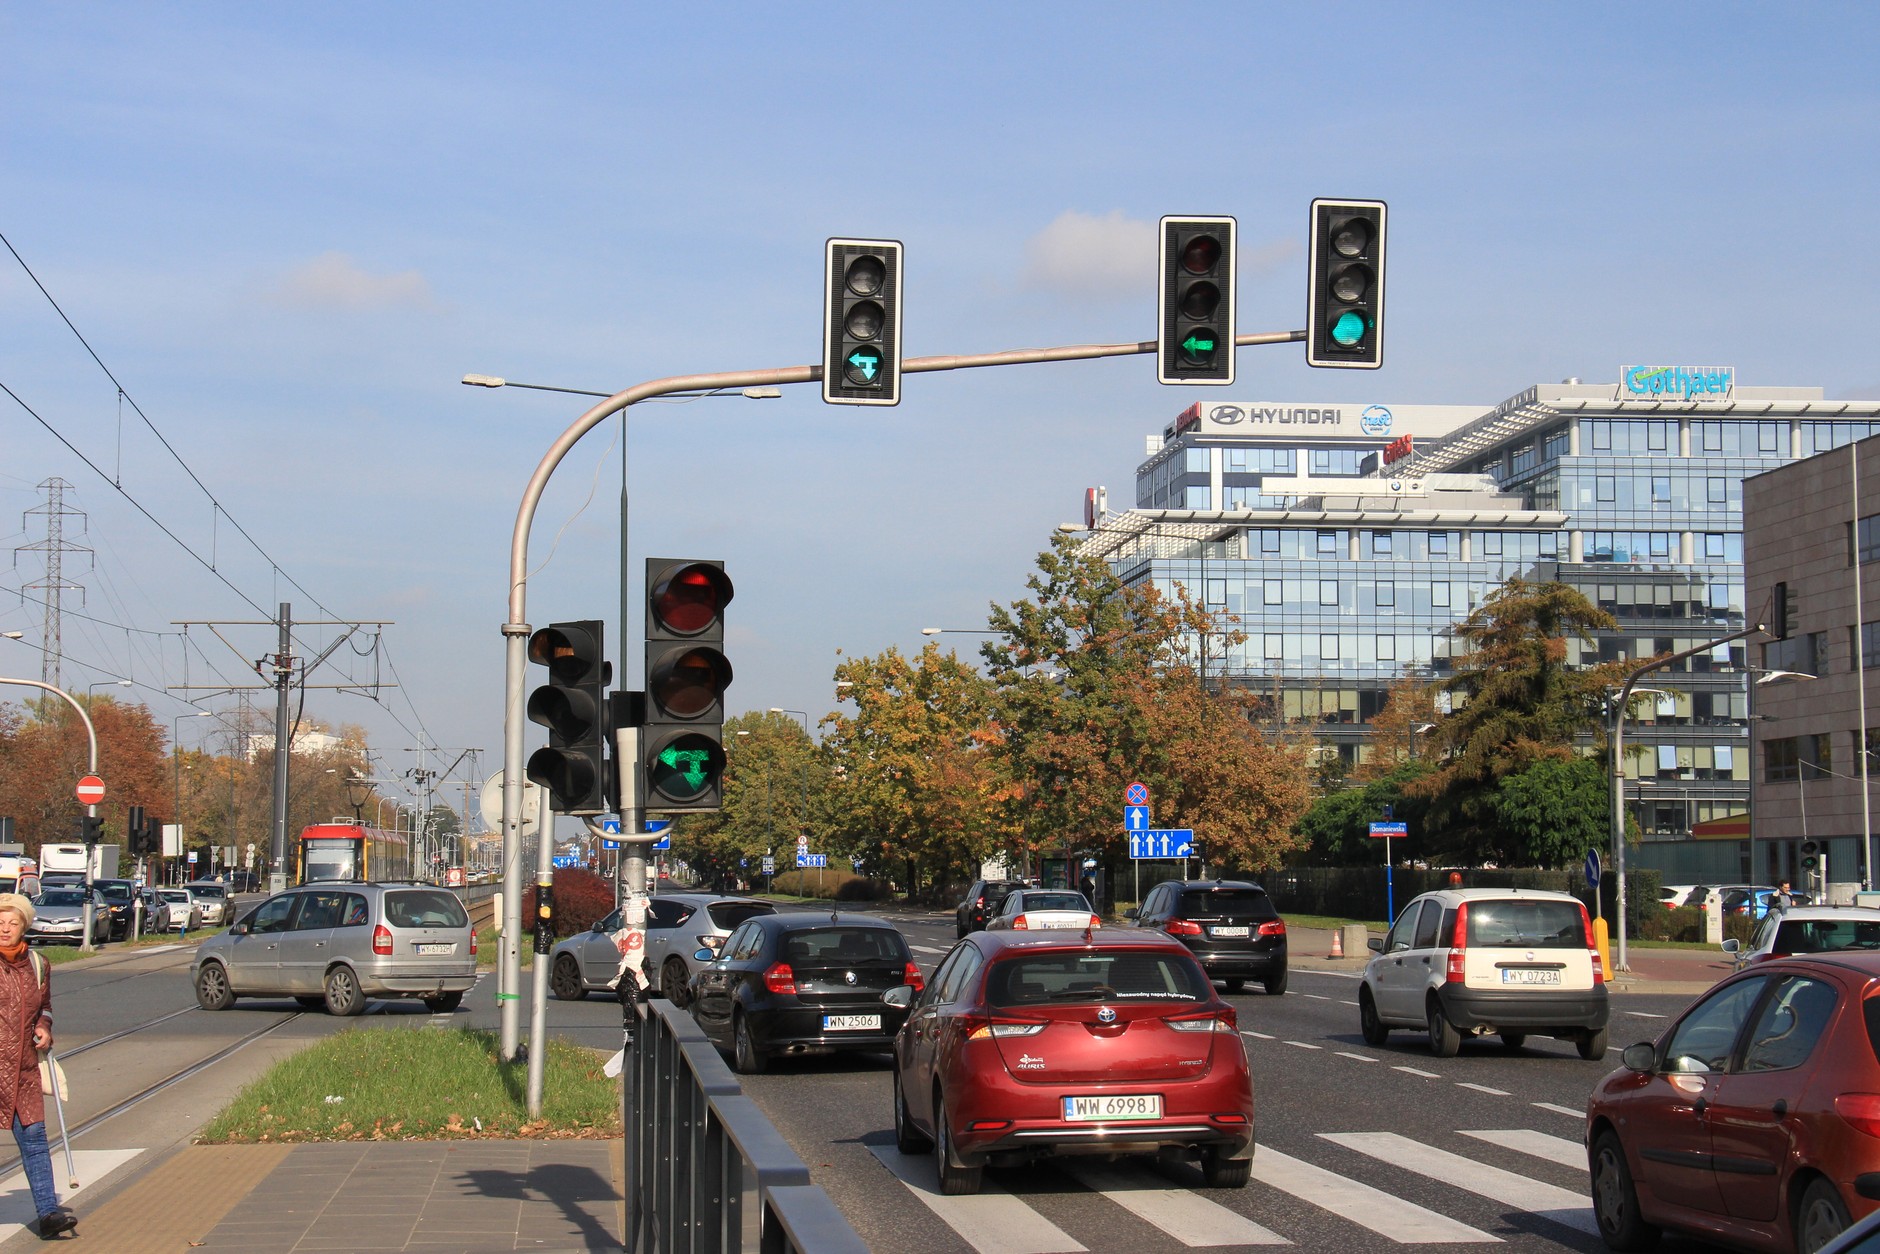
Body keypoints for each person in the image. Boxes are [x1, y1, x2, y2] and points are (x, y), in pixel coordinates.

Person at [0, 893, 75, 1238]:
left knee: (34, 1137)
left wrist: (44, 1028)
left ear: (24, 927)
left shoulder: (38, 965)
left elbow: (45, 1007)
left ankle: (48, 1213)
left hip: (25, 1069)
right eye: (0, 922)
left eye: (13, 923)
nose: (5, 928)